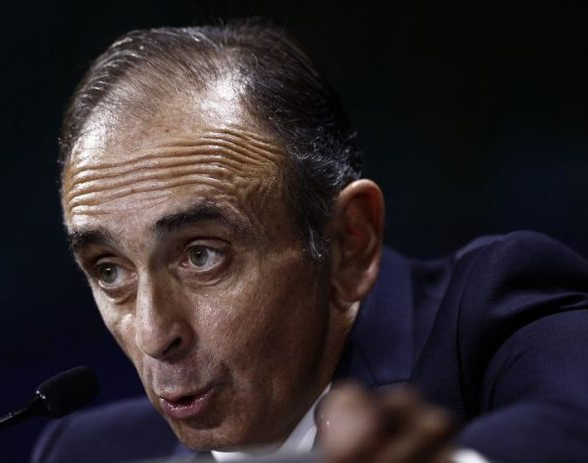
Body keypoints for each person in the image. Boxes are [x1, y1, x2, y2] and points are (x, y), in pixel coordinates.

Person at [32, 22, 588, 463]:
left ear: (350, 242)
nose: (155, 335)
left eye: (202, 255)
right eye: (109, 270)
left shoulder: (496, 312)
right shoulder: (85, 452)